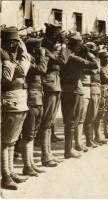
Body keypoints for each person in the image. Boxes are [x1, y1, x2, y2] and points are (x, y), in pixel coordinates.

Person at [1, 27, 31, 190]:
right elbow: (6, 78)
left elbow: (23, 69)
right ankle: (5, 176)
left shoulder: (14, 57)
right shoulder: (3, 58)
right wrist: (6, 61)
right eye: (10, 41)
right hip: (9, 102)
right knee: (5, 141)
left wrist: (22, 49)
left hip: (19, 101)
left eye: (16, 41)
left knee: (12, 141)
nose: (14, 45)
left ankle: (11, 172)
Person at [60, 35, 99, 159]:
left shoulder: (65, 56)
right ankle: (68, 150)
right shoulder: (73, 57)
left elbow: (90, 71)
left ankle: (69, 149)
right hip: (73, 91)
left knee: (71, 122)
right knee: (72, 122)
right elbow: (95, 65)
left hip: (68, 90)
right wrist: (88, 52)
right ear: (77, 45)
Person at [38, 22, 66, 167]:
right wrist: (64, 45)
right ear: (50, 35)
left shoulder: (51, 49)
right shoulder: (44, 49)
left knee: (49, 123)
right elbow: (63, 60)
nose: (58, 38)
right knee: (46, 123)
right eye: (56, 34)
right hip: (49, 85)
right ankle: (45, 156)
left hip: (55, 84)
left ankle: (48, 153)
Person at [21, 38, 48, 177]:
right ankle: (27, 166)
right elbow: (42, 69)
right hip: (31, 99)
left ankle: (31, 164)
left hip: (38, 99)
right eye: (38, 48)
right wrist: (42, 56)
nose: (40, 50)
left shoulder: (34, 59)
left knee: (33, 134)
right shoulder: (27, 60)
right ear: (33, 48)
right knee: (28, 134)